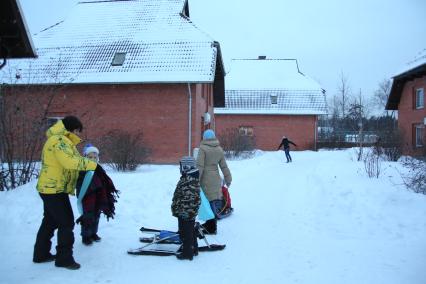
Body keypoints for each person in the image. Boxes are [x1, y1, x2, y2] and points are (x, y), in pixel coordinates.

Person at [33, 116, 97, 270]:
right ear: (71, 129)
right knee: (66, 222)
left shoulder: (61, 141)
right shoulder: (59, 141)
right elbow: (69, 162)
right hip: (53, 189)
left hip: (51, 187)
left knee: (50, 220)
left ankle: (40, 254)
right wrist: (92, 164)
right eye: (77, 130)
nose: (78, 134)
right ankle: (64, 258)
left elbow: (70, 160)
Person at [75, 144, 119, 246]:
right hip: (88, 197)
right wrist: (81, 195)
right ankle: (86, 236)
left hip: (98, 196)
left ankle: (93, 233)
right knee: (87, 217)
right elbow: (80, 184)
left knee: (96, 216)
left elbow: (103, 181)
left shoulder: (98, 169)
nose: (93, 159)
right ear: (85, 157)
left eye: (95, 157)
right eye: (90, 157)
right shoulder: (83, 169)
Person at [196, 129, 232, 234]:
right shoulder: (219, 149)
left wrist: (195, 180)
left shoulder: (202, 149)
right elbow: (224, 166)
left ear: (204, 138)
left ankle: (211, 227)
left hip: (206, 179)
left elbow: (200, 166)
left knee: (207, 202)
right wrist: (228, 178)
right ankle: (210, 224)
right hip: (216, 178)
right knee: (213, 201)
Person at [171, 156, 201, 261]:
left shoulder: (189, 180)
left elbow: (191, 199)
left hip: (186, 212)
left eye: (181, 166)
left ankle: (187, 253)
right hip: (186, 211)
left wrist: (185, 212)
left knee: (186, 232)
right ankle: (194, 249)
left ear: (186, 167)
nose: (180, 169)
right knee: (190, 231)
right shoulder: (188, 177)